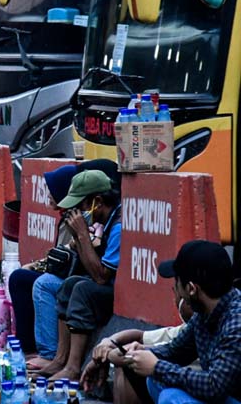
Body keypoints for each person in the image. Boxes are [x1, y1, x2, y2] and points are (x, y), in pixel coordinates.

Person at [15, 158, 121, 366]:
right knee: (57, 284)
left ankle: (62, 361)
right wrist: (78, 241)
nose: (78, 212)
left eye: (81, 206)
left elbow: (100, 277)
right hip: (93, 282)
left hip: (111, 293)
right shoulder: (101, 221)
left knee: (71, 287)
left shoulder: (118, 225)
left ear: (97, 202)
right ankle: (56, 357)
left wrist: (82, 236)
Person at [124, 240, 241, 404]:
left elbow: (215, 386)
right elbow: (176, 351)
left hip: (229, 395)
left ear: (192, 289)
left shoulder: (236, 322)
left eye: (176, 282)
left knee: (170, 397)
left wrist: (156, 366)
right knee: (156, 379)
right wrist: (141, 353)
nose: (176, 290)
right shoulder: (205, 312)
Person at [81, 297, 195, 404]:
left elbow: (210, 384)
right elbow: (142, 338)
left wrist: (107, 355)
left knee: (168, 395)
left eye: (177, 291)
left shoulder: (200, 327)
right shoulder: (188, 329)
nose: (176, 298)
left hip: (199, 390)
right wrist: (108, 342)